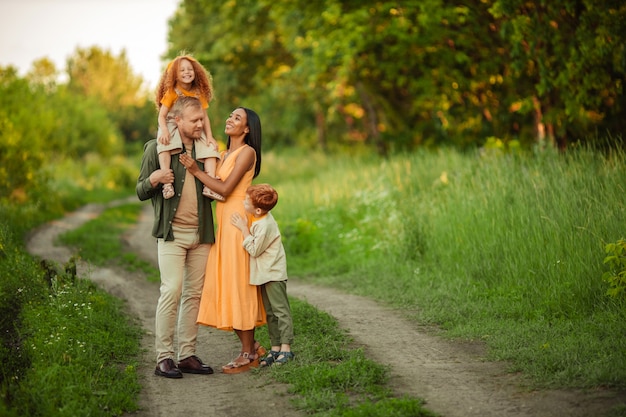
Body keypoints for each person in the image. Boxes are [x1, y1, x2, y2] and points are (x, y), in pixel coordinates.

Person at [179, 107, 267, 374]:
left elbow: (226, 188)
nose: (230, 119)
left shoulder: (247, 153)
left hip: (238, 223)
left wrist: (195, 170)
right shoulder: (224, 153)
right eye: (229, 116)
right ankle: (252, 347)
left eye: (237, 118)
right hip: (224, 226)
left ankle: (248, 352)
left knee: (239, 285)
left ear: (248, 128)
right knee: (230, 284)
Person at [136, 96, 216, 379]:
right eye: (194, 121)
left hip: (201, 233)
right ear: (177, 120)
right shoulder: (156, 147)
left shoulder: (207, 150)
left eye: (201, 120)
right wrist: (156, 179)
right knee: (171, 291)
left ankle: (186, 355)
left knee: (194, 295)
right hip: (172, 234)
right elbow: (141, 190)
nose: (200, 124)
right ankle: (164, 358)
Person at [230, 184, 295, 366]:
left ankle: (286, 348)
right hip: (264, 274)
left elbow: (254, 250)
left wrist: (243, 229)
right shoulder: (261, 218)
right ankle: (275, 348)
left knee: (280, 311)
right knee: (270, 313)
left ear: (257, 210)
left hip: (273, 274)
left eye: (246, 201)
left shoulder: (263, 225)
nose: (243, 202)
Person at [155, 54, 224, 201]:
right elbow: (161, 115)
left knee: (210, 147)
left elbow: (204, 117)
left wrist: (210, 136)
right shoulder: (172, 92)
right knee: (164, 143)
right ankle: (166, 181)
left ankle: (209, 183)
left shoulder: (198, 92)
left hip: (193, 123)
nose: (187, 72)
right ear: (175, 75)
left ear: (196, 72)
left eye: (190, 69)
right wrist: (165, 130)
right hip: (172, 122)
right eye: (182, 70)